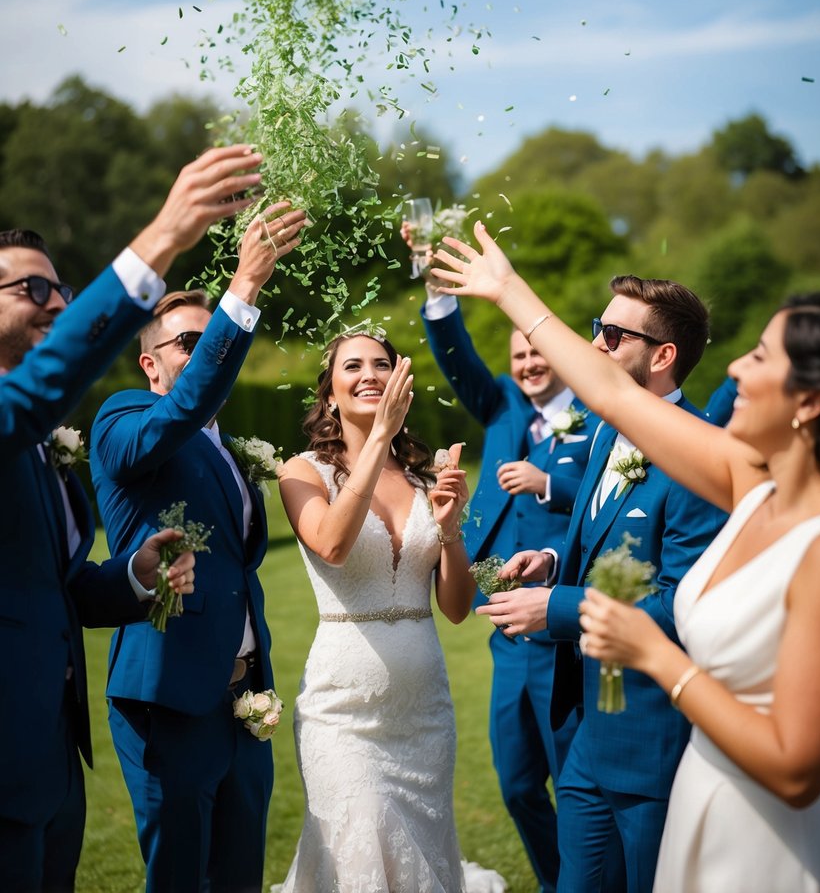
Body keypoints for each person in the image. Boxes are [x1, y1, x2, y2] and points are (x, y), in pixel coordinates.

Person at [435, 228, 820, 891]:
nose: (733, 370)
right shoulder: (740, 478)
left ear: (811, 402)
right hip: (602, 738)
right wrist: (506, 291)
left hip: (710, 787)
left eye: (758, 357)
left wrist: (648, 651)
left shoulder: (805, 534)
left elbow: (794, 766)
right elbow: (613, 396)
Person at [0, 142, 262, 893]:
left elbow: (59, 591)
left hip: (50, 759)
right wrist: (162, 240)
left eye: (64, 288)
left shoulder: (39, 445)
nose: (57, 302)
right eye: (33, 289)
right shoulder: (92, 415)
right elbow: (164, 411)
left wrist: (135, 577)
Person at [90, 202, 306, 893]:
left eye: (211, 337)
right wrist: (242, 290)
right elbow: (174, 418)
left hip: (245, 697)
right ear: (150, 362)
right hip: (170, 694)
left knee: (241, 874)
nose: (206, 347)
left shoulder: (229, 448)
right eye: (191, 340)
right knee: (181, 875)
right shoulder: (123, 419)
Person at [402, 223, 600, 893]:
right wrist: (435, 284)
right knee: (516, 785)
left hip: (562, 626)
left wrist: (549, 483)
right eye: (517, 356)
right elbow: (455, 355)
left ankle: (585, 881)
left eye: (536, 353)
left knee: (572, 779)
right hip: (501, 623)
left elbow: (614, 502)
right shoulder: (502, 408)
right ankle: (556, 882)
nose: (526, 365)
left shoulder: (600, 418)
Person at [275, 329, 477, 892]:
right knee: (359, 849)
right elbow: (333, 545)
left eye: (382, 364)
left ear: (400, 381)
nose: (370, 374)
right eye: (353, 366)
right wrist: (378, 439)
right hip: (341, 713)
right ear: (330, 392)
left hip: (423, 713)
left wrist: (450, 529)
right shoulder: (301, 472)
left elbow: (457, 609)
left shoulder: (424, 477)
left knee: (421, 861)